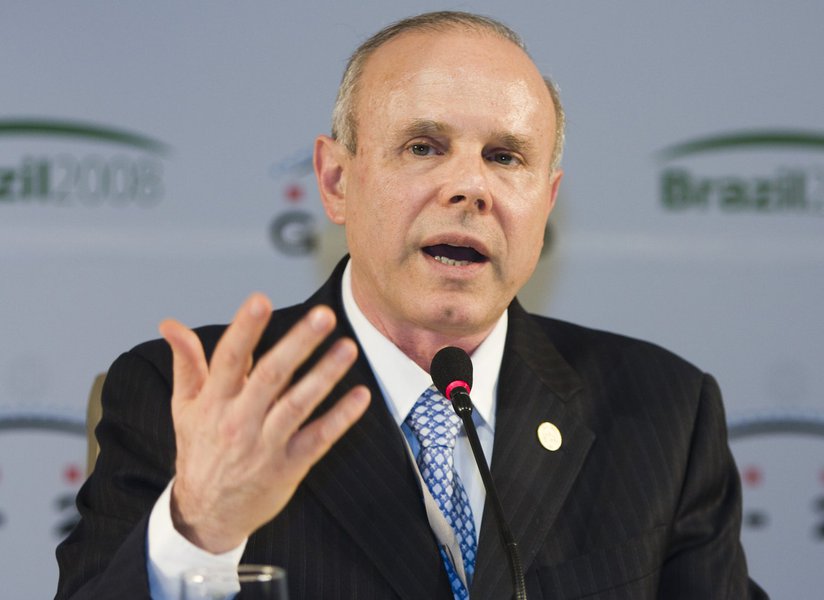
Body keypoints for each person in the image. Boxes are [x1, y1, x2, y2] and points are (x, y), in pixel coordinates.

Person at [56, 11, 767, 600]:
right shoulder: (197, 399)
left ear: (545, 204)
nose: (470, 186)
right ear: (336, 181)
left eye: (506, 156)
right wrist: (198, 531)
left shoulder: (664, 413)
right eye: (424, 147)